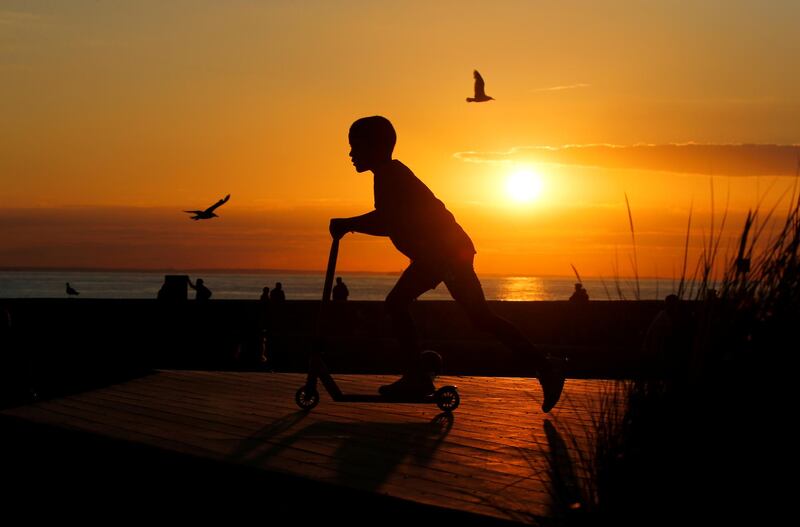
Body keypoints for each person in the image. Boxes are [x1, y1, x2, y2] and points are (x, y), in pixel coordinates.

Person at [329, 116, 565, 412]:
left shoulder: (391, 175)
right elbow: (391, 219)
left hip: (443, 253)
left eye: (356, 146)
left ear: (375, 146)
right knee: (481, 318)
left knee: (396, 304)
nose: (351, 154)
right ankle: (545, 366)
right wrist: (351, 225)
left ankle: (417, 376)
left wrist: (347, 224)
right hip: (446, 252)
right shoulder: (388, 175)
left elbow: (389, 220)